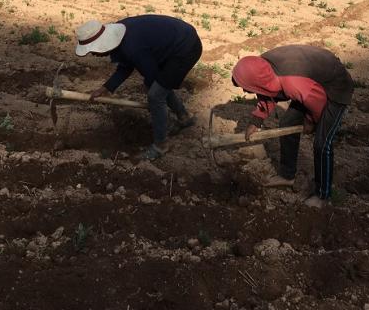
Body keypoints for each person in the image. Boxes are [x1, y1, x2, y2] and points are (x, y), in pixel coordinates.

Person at [232, 45, 354, 208]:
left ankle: (323, 195)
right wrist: (256, 121)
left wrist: (310, 121)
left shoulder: (291, 81)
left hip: (334, 87)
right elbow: (266, 91)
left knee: (322, 143)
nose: (244, 91)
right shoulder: (261, 67)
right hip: (309, 82)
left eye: (245, 87)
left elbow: (316, 100)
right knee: (287, 123)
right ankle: (287, 175)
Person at [75, 14, 202, 160]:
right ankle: (184, 118)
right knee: (158, 88)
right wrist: (106, 88)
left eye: (92, 50)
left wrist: (154, 104)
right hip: (176, 40)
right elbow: (126, 65)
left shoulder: (132, 46)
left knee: (155, 94)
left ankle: (161, 145)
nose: (93, 54)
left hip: (185, 47)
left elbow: (153, 77)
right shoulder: (120, 36)